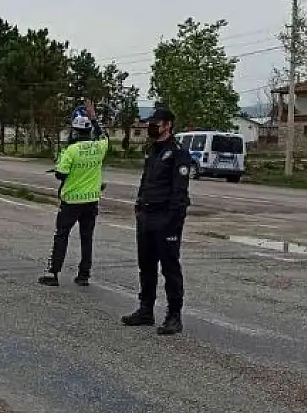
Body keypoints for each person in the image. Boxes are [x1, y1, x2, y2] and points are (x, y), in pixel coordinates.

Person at [121, 107, 193, 335]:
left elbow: (179, 191)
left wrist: (172, 221)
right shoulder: (153, 150)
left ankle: (174, 316)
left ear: (168, 125)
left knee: (170, 268)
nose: (152, 126)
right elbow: (145, 180)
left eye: (157, 123)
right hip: (147, 216)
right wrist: (139, 205)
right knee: (146, 265)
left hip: (166, 218)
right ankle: (145, 309)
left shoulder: (178, 152)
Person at [39, 100, 108, 287]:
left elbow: (61, 174)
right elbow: (104, 135)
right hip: (91, 200)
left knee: (61, 235)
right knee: (87, 238)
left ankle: (53, 273)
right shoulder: (99, 147)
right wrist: (95, 118)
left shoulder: (70, 151)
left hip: (71, 201)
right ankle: (84, 275)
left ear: (74, 129)